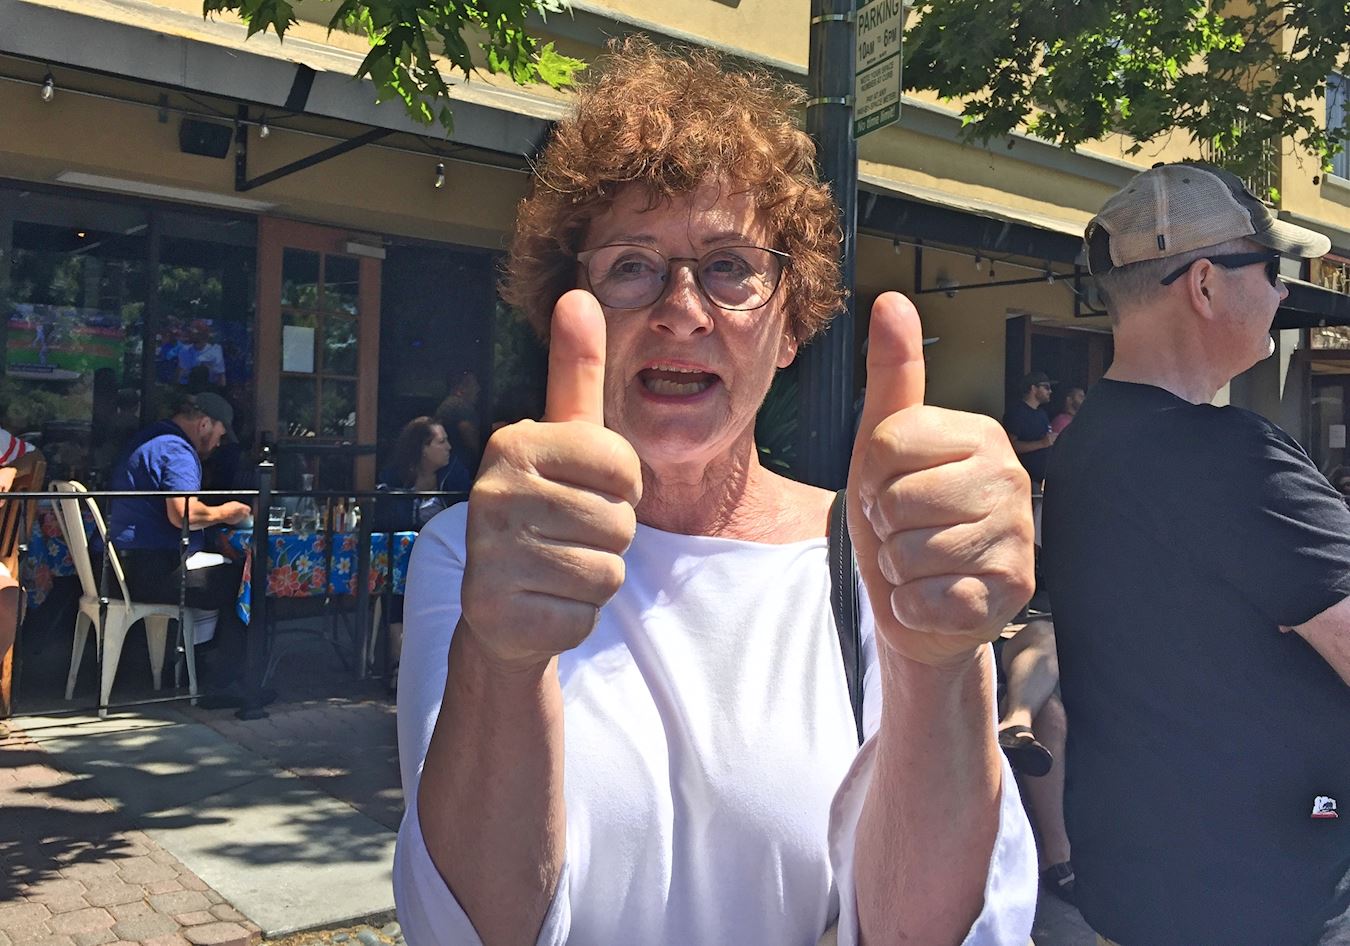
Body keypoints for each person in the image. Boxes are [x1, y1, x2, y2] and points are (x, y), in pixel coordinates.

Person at [394, 39, 1038, 946]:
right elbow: (468, 927)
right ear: (569, 307)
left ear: (791, 325)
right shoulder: (475, 554)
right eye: (632, 266)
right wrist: (502, 661)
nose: (683, 311)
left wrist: (940, 665)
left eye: (732, 266)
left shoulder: (876, 556)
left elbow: (924, 931)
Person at [1044, 162, 1350, 946]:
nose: (1283, 293)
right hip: (1274, 899)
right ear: (1206, 284)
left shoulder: (1084, 447)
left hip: (1140, 888)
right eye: (1272, 269)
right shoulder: (1231, 459)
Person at [107, 392, 253, 701]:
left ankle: (194, 669)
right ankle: (223, 686)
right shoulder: (178, 450)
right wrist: (227, 512)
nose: (218, 445)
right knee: (244, 581)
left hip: (115, 565)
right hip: (148, 569)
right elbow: (183, 513)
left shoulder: (149, 437)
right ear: (204, 424)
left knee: (219, 576)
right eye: (219, 435)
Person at [994, 619, 1074, 905]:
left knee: (1045, 633)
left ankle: (1017, 721)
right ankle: (1057, 855)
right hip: (945, 663)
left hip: (985, 650)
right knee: (1050, 714)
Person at [375, 417, 473, 532]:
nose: (449, 447)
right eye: (442, 442)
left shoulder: (456, 474)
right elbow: (388, 521)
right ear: (422, 448)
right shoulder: (394, 477)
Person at [1002, 370, 1056, 489]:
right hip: (1025, 480)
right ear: (1033, 388)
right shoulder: (1016, 413)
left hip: (1043, 480)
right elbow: (1009, 446)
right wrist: (1042, 443)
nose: (1050, 391)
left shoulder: (1042, 414)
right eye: (1046, 387)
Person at [433, 371, 483, 477]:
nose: (478, 389)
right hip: (456, 465)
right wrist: (483, 459)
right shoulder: (458, 406)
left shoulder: (450, 404)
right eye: (473, 385)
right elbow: (470, 438)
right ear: (461, 389)